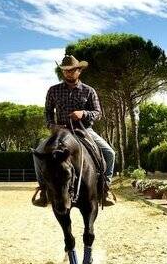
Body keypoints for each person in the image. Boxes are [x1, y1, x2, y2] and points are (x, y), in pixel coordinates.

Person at [32, 55, 116, 207]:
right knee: (38, 153)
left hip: (84, 130)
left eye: (71, 70)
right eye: (65, 70)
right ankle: (43, 191)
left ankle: (105, 189)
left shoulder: (89, 91)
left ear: (79, 71)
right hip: (60, 132)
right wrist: (52, 126)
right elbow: (48, 112)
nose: (68, 73)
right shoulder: (53, 90)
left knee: (110, 153)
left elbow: (97, 113)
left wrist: (83, 113)